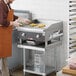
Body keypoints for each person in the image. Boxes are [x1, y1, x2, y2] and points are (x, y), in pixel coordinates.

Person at [0, 0, 30, 76]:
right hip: (1, 34)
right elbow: (2, 21)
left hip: (5, 34)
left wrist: (21, 19)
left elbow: (10, 16)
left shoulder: (7, 4)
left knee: (4, 57)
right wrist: (13, 23)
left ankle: (5, 73)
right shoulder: (1, 4)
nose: (13, 0)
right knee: (2, 56)